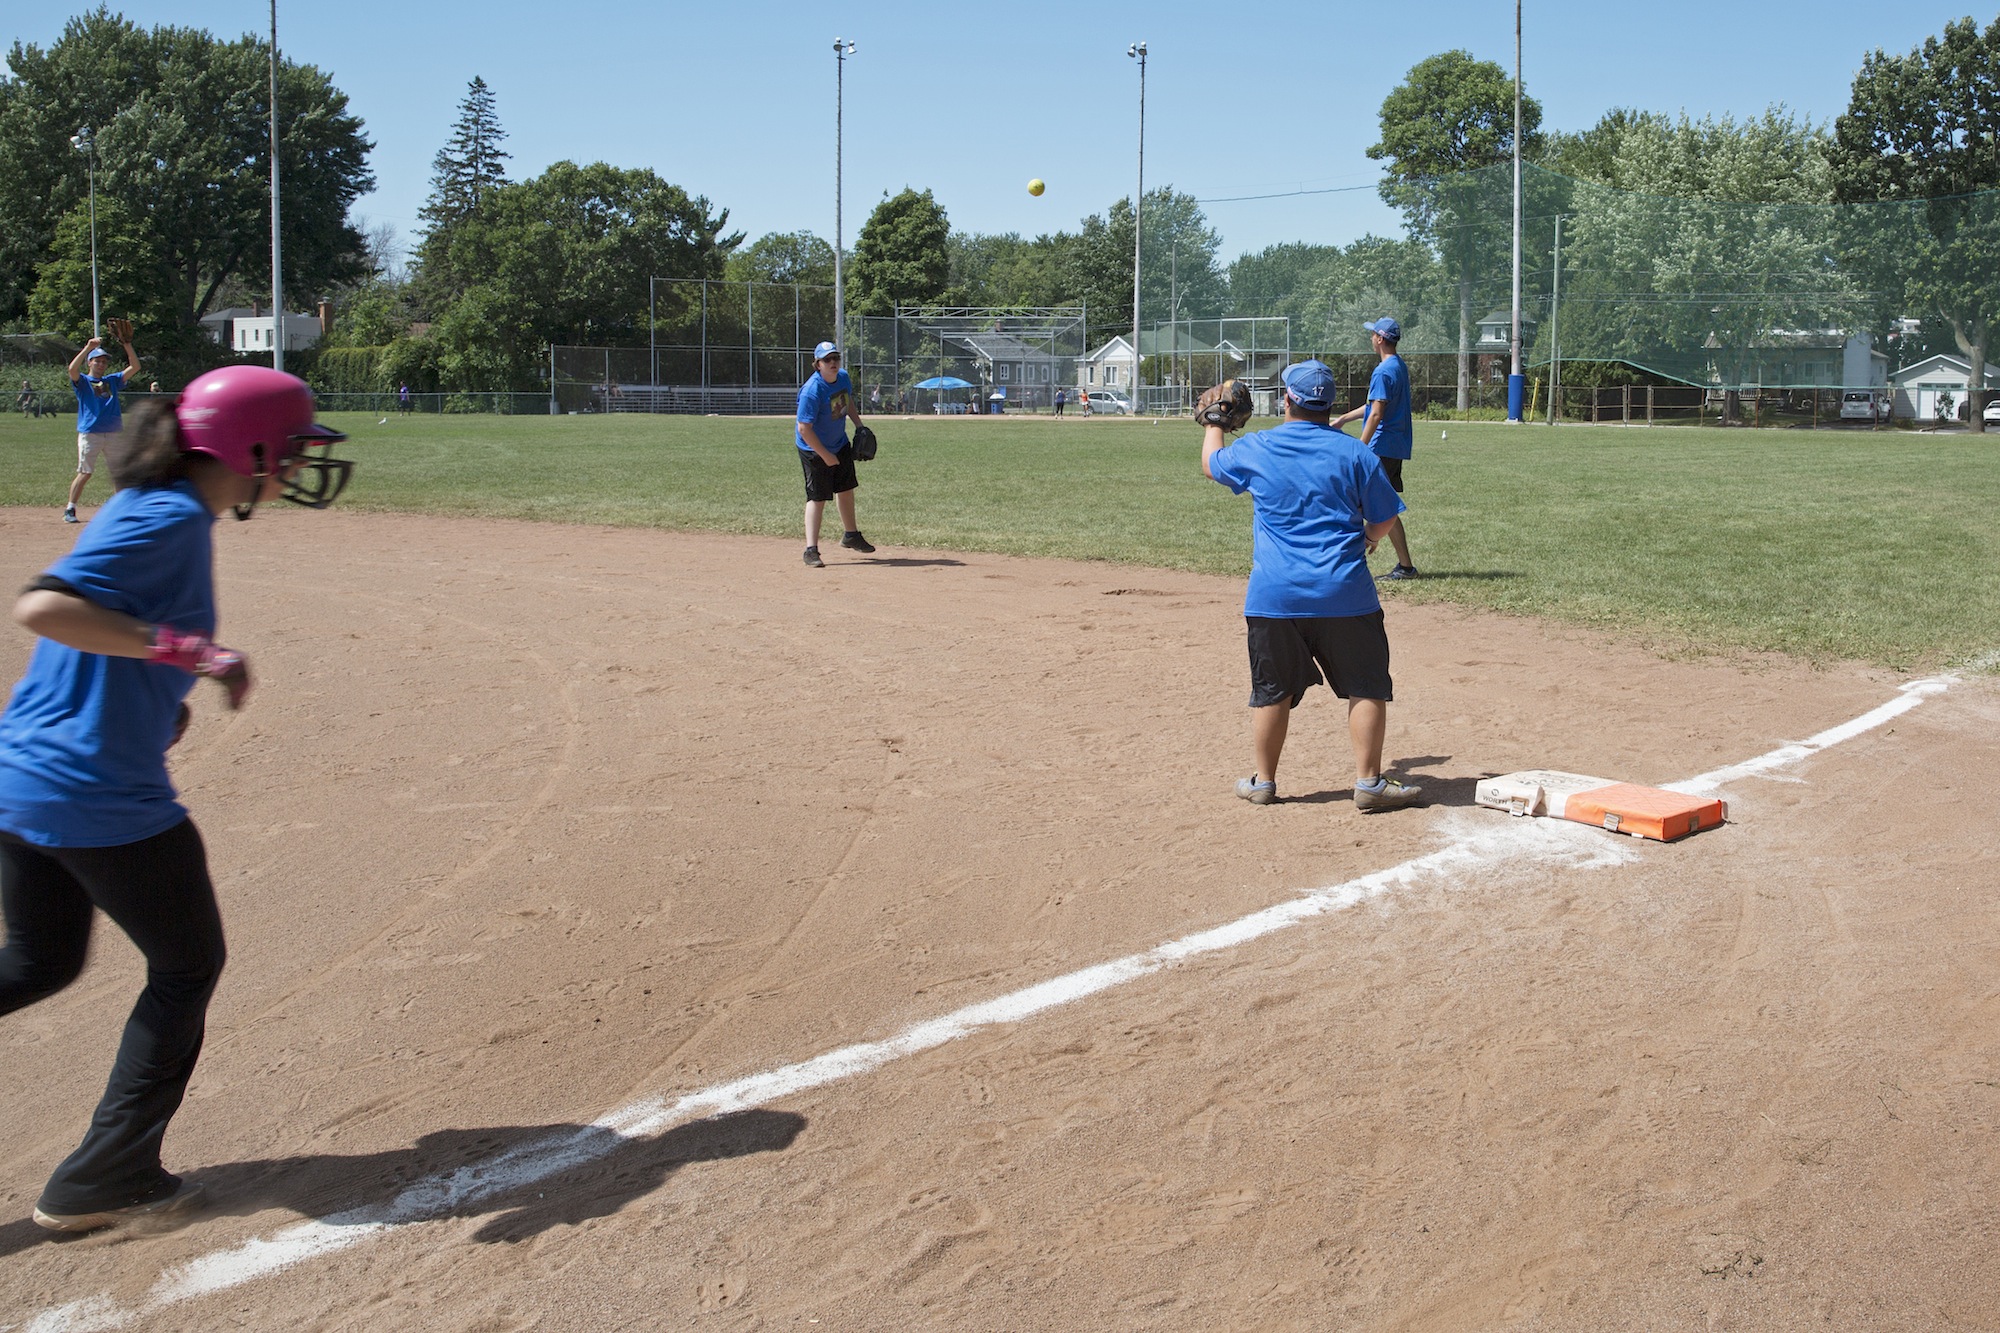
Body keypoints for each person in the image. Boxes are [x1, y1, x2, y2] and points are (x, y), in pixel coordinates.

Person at [0, 364, 354, 1235]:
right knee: (187, 964)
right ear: (251, 447)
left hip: (25, 775)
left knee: (38, 963)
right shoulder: (167, 517)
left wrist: (158, 703)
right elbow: (45, 609)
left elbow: (99, 639)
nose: (302, 462)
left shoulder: (145, 509)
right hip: (97, 795)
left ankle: (106, 1169)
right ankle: (107, 1174)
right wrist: (188, 654)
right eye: (296, 445)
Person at [1203, 359, 1423, 812]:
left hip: (1274, 596)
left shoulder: (1260, 448)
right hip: (1345, 594)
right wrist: (1366, 538)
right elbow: (1384, 517)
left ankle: (1263, 782)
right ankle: (1369, 784)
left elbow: (1211, 464)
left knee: (1272, 691)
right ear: (1329, 406)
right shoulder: (1355, 454)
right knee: (1367, 686)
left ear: (1287, 401)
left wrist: (1214, 422)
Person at [1334, 317, 1417, 579]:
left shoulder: (1383, 371)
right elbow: (1373, 407)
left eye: (1372, 335)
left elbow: (1377, 414)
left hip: (1382, 445)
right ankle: (1405, 567)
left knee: (1360, 501)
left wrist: (1360, 447)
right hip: (1394, 445)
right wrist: (1344, 418)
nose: (1370, 338)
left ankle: (1349, 565)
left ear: (1380, 339)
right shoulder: (1397, 366)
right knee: (1385, 505)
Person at [795, 341, 873, 568]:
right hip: (813, 448)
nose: (832, 363)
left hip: (838, 443)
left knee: (846, 489)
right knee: (817, 497)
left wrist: (859, 426)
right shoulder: (812, 391)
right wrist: (825, 455)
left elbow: (846, 402)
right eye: (826, 359)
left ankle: (851, 535)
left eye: (835, 358)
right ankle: (811, 550)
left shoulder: (843, 378)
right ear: (817, 364)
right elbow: (804, 429)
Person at [65, 331, 140, 523]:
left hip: (113, 433)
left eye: (104, 361)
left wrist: (126, 344)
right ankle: (70, 509)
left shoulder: (112, 381)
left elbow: (135, 366)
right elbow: (72, 369)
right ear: (89, 363)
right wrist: (88, 348)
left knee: (118, 473)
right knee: (85, 473)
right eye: (97, 361)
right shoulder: (82, 382)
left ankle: (120, 509)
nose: (101, 364)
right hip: (90, 433)